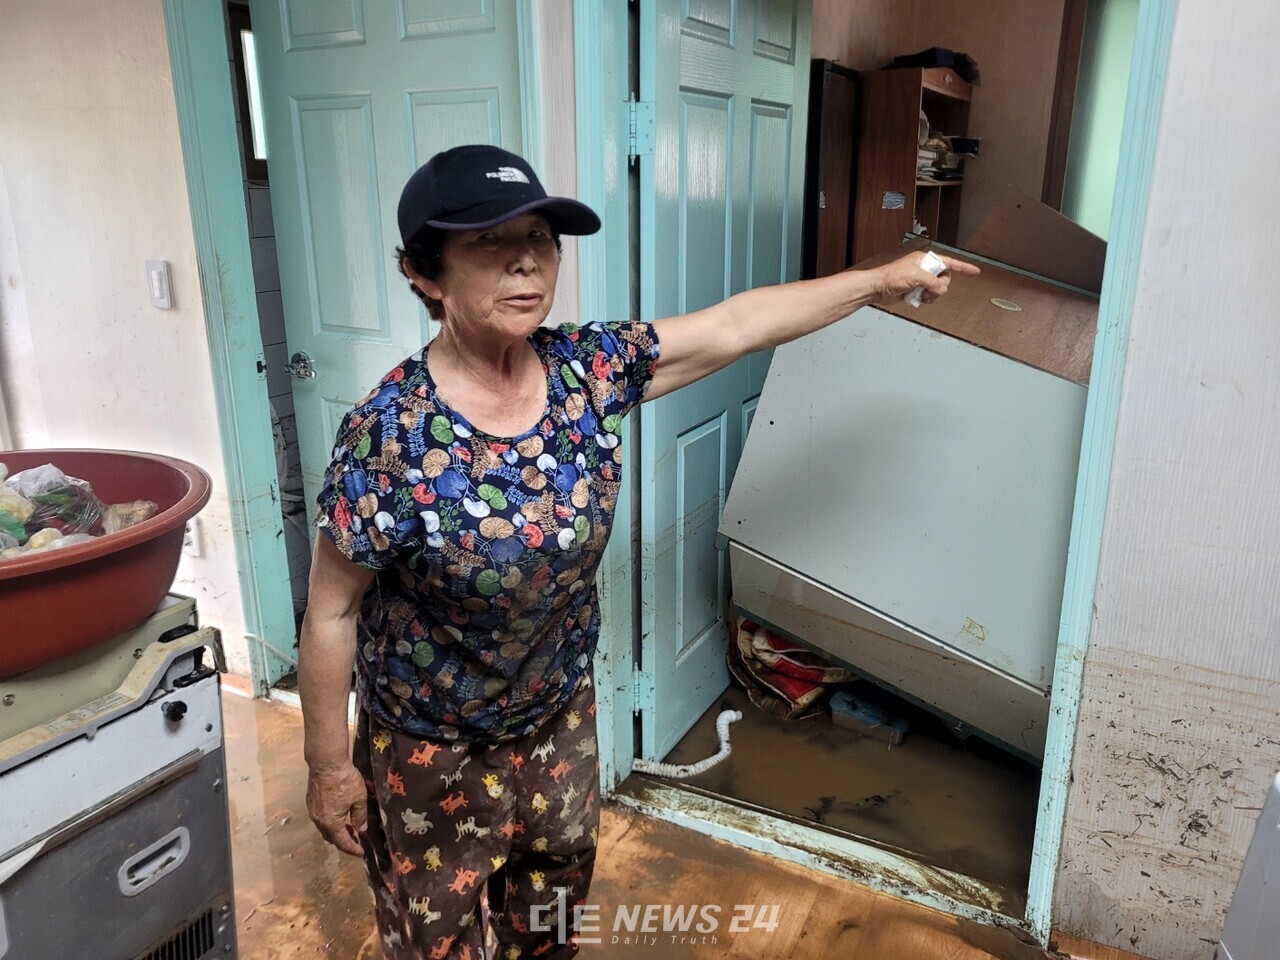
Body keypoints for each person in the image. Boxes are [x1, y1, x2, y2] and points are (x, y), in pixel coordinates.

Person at [300, 143, 978, 960]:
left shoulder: (586, 371)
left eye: (542, 239)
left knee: (549, 924)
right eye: (488, 242)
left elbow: (736, 323)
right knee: (436, 943)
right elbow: (332, 608)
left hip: (556, 720)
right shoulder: (390, 435)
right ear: (424, 273)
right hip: (428, 746)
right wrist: (329, 765)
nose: (527, 261)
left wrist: (879, 281)